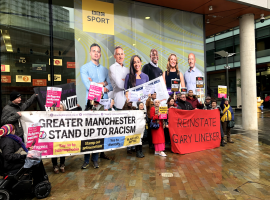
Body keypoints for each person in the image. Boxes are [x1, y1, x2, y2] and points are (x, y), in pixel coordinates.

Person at [51, 103, 66, 174]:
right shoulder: (52, 115)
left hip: (63, 136)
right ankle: (55, 165)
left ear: (64, 109)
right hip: (54, 136)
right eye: (58, 107)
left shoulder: (67, 116)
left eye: (61, 108)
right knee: (54, 150)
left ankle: (62, 165)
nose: (59, 109)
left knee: (62, 149)